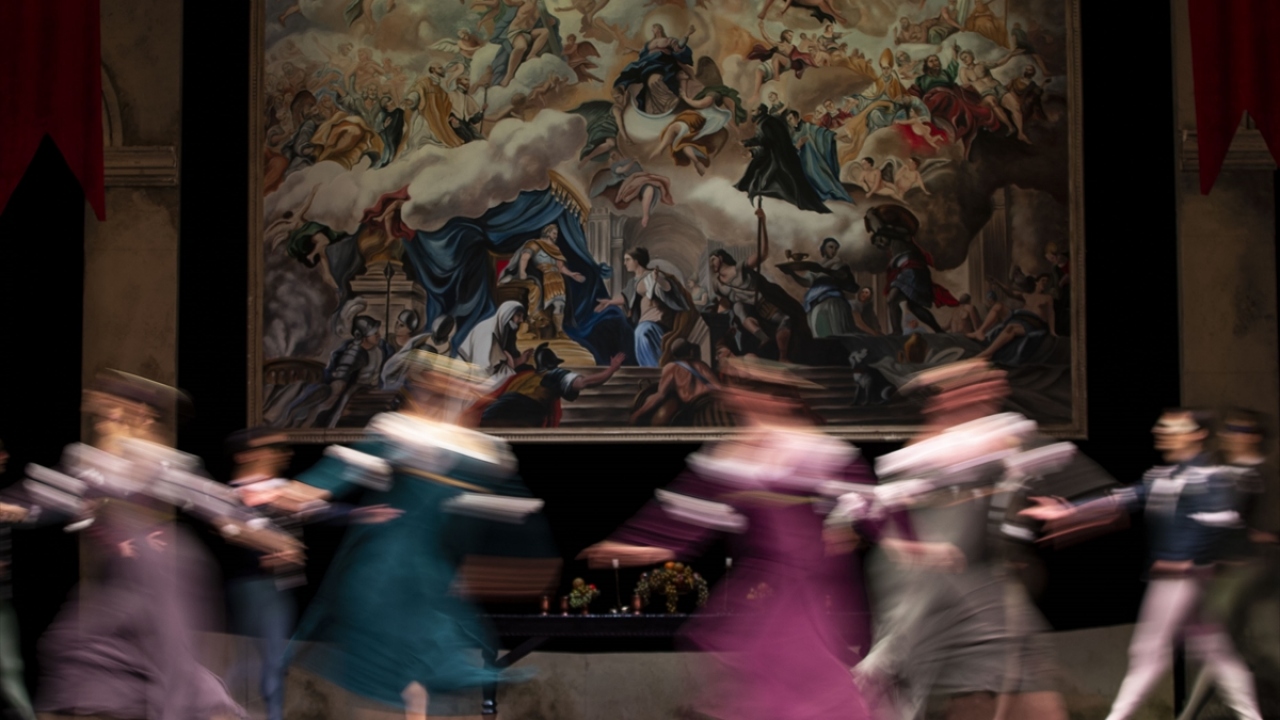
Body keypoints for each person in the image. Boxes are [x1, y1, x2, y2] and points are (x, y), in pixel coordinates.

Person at [581, 357, 876, 720]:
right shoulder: (731, 453)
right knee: (770, 671)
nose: (750, 396)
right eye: (745, 389)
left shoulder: (815, 449)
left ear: (782, 399)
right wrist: (637, 544)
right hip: (767, 585)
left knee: (809, 670)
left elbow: (863, 498)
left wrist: (848, 525)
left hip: (812, 583)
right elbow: (686, 510)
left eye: (760, 390)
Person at [279, 352, 560, 719]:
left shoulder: (474, 448)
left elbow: (498, 510)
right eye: (448, 382)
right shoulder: (400, 431)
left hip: (427, 573)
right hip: (387, 568)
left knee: (418, 676)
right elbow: (339, 473)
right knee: (398, 674)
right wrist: (290, 493)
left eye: (462, 384)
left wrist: (510, 564)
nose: (460, 390)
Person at [847, 361, 1071, 720]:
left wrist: (1054, 506)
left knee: (1032, 703)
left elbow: (1040, 463)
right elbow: (875, 518)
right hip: (929, 599)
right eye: (972, 389)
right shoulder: (920, 455)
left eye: (989, 388)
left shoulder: (996, 437)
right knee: (965, 702)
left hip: (983, 595)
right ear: (944, 400)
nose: (987, 395)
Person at [36, 371, 264, 720]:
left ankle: (211, 710)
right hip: (122, 580)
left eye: (112, 407)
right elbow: (41, 498)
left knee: (171, 664)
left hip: (163, 571)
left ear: (139, 413)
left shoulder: (157, 460)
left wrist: (256, 528)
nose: (103, 416)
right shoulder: (87, 463)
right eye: (101, 410)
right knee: (75, 646)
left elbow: (213, 503)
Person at [1022, 410, 1265, 720]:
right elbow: (1124, 498)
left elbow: (1222, 522)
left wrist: (1189, 560)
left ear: (1197, 434)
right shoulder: (1164, 476)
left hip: (1181, 579)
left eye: (1174, 428)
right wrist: (1071, 511)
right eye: (1163, 426)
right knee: (1216, 653)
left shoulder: (1210, 478)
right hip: (1179, 578)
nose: (1162, 432)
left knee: (1149, 653)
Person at [1175, 410, 1279, 720]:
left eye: (1238, 430)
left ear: (1254, 437)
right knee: (1224, 649)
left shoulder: (1258, 474)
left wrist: (1264, 536)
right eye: (1229, 429)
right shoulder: (1227, 471)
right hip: (1229, 572)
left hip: (1248, 571)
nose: (1230, 435)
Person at [709, 209, 799, 362]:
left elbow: (763, 253)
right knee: (738, 306)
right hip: (743, 313)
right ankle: (763, 337)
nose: (711, 264)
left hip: (760, 304)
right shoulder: (716, 283)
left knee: (786, 319)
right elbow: (724, 303)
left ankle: (783, 355)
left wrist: (762, 222)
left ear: (720, 257)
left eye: (713, 259)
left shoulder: (740, 268)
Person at [596, 247, 705, 367]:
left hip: (656, 324)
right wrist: (610, 302)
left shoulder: (651, 276)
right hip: (644, 323)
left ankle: (654, 371)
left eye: (628, 259)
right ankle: (650, 370)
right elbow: (627, 297)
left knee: (643, 333)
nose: (625, 263)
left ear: (637, 261)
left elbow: (667, 288)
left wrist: (659, 280)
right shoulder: (633, 282)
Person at [480, 344, 625, 427]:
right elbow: (584, 382)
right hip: (522, 412)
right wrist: (611, 370)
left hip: (492, 413)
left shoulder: (525, 375)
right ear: (553, 364)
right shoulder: (555, 374)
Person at [865, 204, 954, 335]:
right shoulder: (894, 246)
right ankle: (938, 330)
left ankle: (897, 331)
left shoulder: (902, 233)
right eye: (878, 244)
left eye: (880, 240)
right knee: (913, 306)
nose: (881, 243)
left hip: (913, 270)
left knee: (893, 299)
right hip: (911, 270)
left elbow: (881, 229)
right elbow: (881, 231)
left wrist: (871, 216)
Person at [498, 224, 587, 338]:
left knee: (559, 305)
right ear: (547, 232)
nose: (556, 236)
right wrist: (522, 272)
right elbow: (525, 257)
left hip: (557, 278)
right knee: (543, 299)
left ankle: (559, 331)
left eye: (556, 234)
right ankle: (532, 325)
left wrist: (571, 274)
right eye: (554, 233)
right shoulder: (535, 244)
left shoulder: (556, 249)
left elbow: (560, 267)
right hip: (543, 276)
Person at [629, 339, 728, 426]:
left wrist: (639, 413)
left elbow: (660, 395)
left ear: (674, 355)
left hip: (693, 409)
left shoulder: (671, 367)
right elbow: (718, 387)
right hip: (710, 406)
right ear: (690, 351)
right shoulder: (702, 365)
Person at [778, 237, 860, 338]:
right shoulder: (816, 265)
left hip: (833, 301)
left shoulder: (839, 264)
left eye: (836, 248)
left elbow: (842, 277)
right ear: (824, 249)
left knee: (837, 334)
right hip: (814, 302)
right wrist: (792, 273)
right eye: (831, 247)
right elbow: (807, 282)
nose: (833, 250)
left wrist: (824, 269)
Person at [784, 110, 854, 204]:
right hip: (804, 164)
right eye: (788, 120)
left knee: (823, 178)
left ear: (797, 117)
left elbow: (822, 134)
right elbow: (792, 152)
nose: (790, 121)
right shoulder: (793, 136)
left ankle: (834, 194)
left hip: (816, 162)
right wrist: (798, 145)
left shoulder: (808, 127)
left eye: (791, 118)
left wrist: (836, 137)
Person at [455, 301, 531, 383]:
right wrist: (519, 361)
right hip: (468, 378)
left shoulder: (501, 330)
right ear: (507, 315)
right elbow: (485, 369)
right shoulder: (488, 332)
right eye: (518, 315)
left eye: (522, 316)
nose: (521, 320)